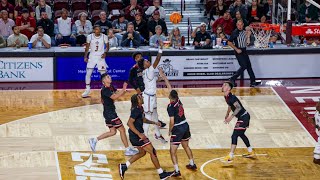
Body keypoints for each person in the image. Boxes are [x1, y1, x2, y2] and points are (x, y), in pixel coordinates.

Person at [118, 94, 174, 180]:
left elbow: (143, 119)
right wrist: (139, 134)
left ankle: (124, 166)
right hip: (136, 136)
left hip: (136, 135)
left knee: (142, 153)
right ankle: (161, 174)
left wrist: (154, 123)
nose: (142, 97)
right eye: (140, 97)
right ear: (137, 101)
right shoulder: (136, 110)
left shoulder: (140, 108)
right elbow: (129, 123)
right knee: (153, 151)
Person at [159, 68, 197, 177]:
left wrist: (170, 131)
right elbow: (170, 88)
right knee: (186, 146)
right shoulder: (178, 100)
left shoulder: (170, 106)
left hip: (178, 128)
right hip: (185, 125)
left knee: (172, 151)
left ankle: (176, 170)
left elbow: (172, 121)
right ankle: (192, 163)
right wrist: (164, 77)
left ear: (170, 97)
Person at [88, 74, 138, 156]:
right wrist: (124, 88)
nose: (110, 78)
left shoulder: (110, 87)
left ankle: (94, 140)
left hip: (108, 113)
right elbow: (114, 97)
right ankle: (127, 149)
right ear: (103, 80)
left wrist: (124, 91)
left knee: (113, 131)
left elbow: (117, 93)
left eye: (109, 76)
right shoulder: (105, 89)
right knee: (122, 130)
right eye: (108, 77)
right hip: (110, 113)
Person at [128, 51, 167, 127]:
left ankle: (155, 121)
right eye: (138, 57)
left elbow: (151, 78)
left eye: (141, 56)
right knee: (140, 106)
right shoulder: (133, 69)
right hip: (142, 90)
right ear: (135, 59)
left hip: (147, 88)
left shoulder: (146, 67)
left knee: (149, 107)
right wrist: (137, 89)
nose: (140, 58)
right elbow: (130, 80)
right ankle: (134, 120)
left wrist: (158, 79)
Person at [221, 81, 255, 163]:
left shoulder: (232, 97)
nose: (222, 86)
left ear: (229, 88)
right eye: (223, 85)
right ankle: (251, 152)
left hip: (244, 117)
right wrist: (227, 114)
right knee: (241, 134)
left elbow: (238, 108)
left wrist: (231, 117)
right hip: (242, 117)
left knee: (234, 135)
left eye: (225, 85)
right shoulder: (226, 96)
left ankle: (230, 156)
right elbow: (230, 105)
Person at [142, 48, 167, 143]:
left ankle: (158, 134)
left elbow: (156, 79)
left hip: (152, 96)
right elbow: (157, 60)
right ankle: (144, 137)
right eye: (147, 61)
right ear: (144, 65)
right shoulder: (149, 70)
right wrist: (160, 49)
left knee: (155, 115)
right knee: (148, 117)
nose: (148, 61)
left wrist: (162, 76)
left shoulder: (148, 72)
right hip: (148, 97)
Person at [227, 20, 261, 87]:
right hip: (238, 50)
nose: (240, 26)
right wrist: (236, 49)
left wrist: (248, 36)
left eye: (241, 25)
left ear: (243, 25)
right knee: (244, 66)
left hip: (244, 50)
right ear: (236, 25)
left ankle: (253, 81)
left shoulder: (244, 32)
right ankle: (232, 78)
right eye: (238, 25)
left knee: (249, 66)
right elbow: (229, 42)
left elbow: (247, 43)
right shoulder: (235, 32)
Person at [82, 25, 109, 98]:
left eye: (99, 29)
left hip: (100, 57)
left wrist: (105, 53)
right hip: (92, 57)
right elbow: (87, 47)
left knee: (103, 74)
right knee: (88, 73)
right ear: (94, 30)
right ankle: (87, 89)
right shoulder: (89, 37)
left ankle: (106, 89)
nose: (98, 30)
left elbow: (107, 47)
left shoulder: (104, 36)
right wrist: (85, 56)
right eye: (97, 29)